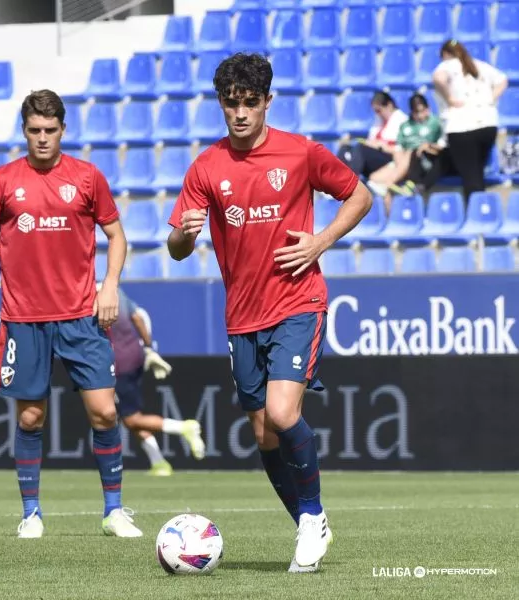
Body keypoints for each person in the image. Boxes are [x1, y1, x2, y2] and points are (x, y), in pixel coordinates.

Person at [166, 53, 372, 573]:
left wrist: (320, 241)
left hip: (297, 302)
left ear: (267, 102)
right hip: (241, 316)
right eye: (231, 103)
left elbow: (360, 195)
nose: (240, 113)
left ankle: (312, 519)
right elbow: (175, 248)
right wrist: (183, 235)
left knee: (283, 415)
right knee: (263, 433)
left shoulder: (300, 153)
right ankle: (309, 519)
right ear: (221, 104)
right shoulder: (206, 167)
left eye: (250, 103)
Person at [0, 89, 142, 540]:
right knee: (30, 419)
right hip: (23, 318)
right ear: (24, 131)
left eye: (50, 130)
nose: (42, 138)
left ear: (63, 129)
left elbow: (118, 237)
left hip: (81, 317)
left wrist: (110, 284)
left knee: (104, 412)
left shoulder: (87, 178)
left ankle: (115, 510)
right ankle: (31, 513)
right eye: (34, 131)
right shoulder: (3, 181)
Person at [109, 285, 205, 476]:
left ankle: (184, 428)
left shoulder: (91, 295)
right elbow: (137, 316)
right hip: (135, 357)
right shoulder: (115, 290)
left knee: (132, 418)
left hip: (118, 364)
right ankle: (159, 463)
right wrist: (148, 348)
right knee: (129, 418)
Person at [433, 39, 508, 202]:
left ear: (446, 54)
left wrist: (449, 98)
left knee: (471, 177)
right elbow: (503, 80)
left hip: (462, 127)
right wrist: (490, 99)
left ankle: (478, 216)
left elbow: (438, 78)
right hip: (488, 124)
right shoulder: (479, 65)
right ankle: (482, 211)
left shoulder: (448, 65)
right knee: (477, 173)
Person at [376, 93, 448, 211]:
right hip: (403, 162)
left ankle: (403, 184)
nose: (420, 115)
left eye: (422, 111)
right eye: (416, 112)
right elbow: (398, 148)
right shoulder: (405, 125)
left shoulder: (436, 123)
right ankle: (388, 218)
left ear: (428, 108)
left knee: (412, 153)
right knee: (375, 179)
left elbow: (443, 146)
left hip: (426, 162)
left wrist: (428, 146)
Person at [337, 91, 408, 195]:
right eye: (375, 111)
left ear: (389, 105)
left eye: (379, 110)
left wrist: (380, 146)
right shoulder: (378, 120)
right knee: (345, 148)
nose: (377, 114)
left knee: (360, 148)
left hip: (389, 157)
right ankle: (335, 181)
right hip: (373, 156)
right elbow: (372, 140)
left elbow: (401, 150)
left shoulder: (402, 121)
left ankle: (349, 184)